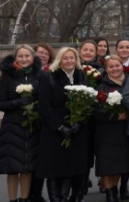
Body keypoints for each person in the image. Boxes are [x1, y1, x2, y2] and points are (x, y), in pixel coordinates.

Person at [37, 46, 92, 202]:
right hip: (54, 131)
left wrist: (80, 123)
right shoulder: (49, 77)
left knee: (73, 169)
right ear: (60, 60)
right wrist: (59, 127)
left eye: (72, 58)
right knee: (55, 169)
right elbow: (44, 105)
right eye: (65, 58)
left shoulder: (82, 76)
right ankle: (56, 199)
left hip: (76, 131)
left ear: (76, 60)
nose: (69, 61)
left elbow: (88, 103)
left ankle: (69, 198)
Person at [0, 45, 43, 202]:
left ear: (32, 57)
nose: (24, 59)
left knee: (28, 167)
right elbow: (0, 103)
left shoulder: (39, 75)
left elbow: (44, 99)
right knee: (12, 168)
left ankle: (24, 198)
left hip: (33, 126)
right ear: (15, 58)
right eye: (20, 56)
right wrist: (17, 102)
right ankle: (12, 199)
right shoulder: (7, 76)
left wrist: (33, 106)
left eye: (27, 56)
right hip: (12, 125)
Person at [95, 55, 129, 202]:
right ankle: (110, 195)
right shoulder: (102, 86)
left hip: (126, 131)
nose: (115, 69)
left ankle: (116, 189)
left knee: (120, 165)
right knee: (107, 166)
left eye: (117, 65)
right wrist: (114, 117)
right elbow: (95, 111)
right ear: (106, 69)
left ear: (122, 66)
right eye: (111, 67)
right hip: (107, 132)